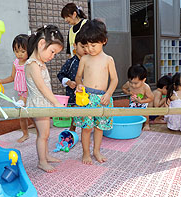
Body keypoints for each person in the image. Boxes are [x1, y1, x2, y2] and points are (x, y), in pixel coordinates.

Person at [73, 19, 118, 165]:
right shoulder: (84, 59)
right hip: (87, 97)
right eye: (86, 45)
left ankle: (96, 151)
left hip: (103, 98)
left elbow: (115, 80)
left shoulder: (108, 59)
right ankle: (86, 153)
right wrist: (79, 85)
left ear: (103, 41)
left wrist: (108, 94)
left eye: (93, 45)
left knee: (100, 128)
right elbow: (78, 77)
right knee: (86, 128)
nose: (90, 49)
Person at [25, 25, 64, 172]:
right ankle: (42, 161)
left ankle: (46, 155)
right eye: (52, 51)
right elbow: (42, 87)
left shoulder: (40, 63)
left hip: (43, 103)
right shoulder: (33, 64)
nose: (52, 56)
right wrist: (56, 103)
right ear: (41, 44)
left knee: (45, 134)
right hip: (38, 104)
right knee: (43, 135)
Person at [0, 34, 32, 143]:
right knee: (22, 114)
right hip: (21, 92)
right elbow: (12, 77)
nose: (19, 54)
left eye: (22, 51)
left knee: (33, 113)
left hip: (30, 91)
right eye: (16, 51)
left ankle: (37, 128)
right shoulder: (16, 63)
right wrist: (1, 81)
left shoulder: (30, 63)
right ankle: (25, 133)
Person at [57, 32, 88, 132]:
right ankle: (72, 130)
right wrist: (68, 82)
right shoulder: (71, 62)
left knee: (87, 114)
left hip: (87, 94)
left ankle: (86, 130)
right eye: (82, 46)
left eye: (87, 46)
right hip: (73, 94)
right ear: (75, 46)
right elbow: (60, 74)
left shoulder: (91, 62)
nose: (85, 50)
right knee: (75, 113)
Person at [122, 64, 154, 131]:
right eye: (131, 82)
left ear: (143, 80)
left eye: (136, 83)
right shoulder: (128, 84)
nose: (133, 85)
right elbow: (123, 88)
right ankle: (133, 122)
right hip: (133, 101)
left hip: (143, 101)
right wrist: (128, 92)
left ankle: (146, 124)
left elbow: (151, 98)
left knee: (145, 112)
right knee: (131, 112)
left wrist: (141, 101)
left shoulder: (145, 87)